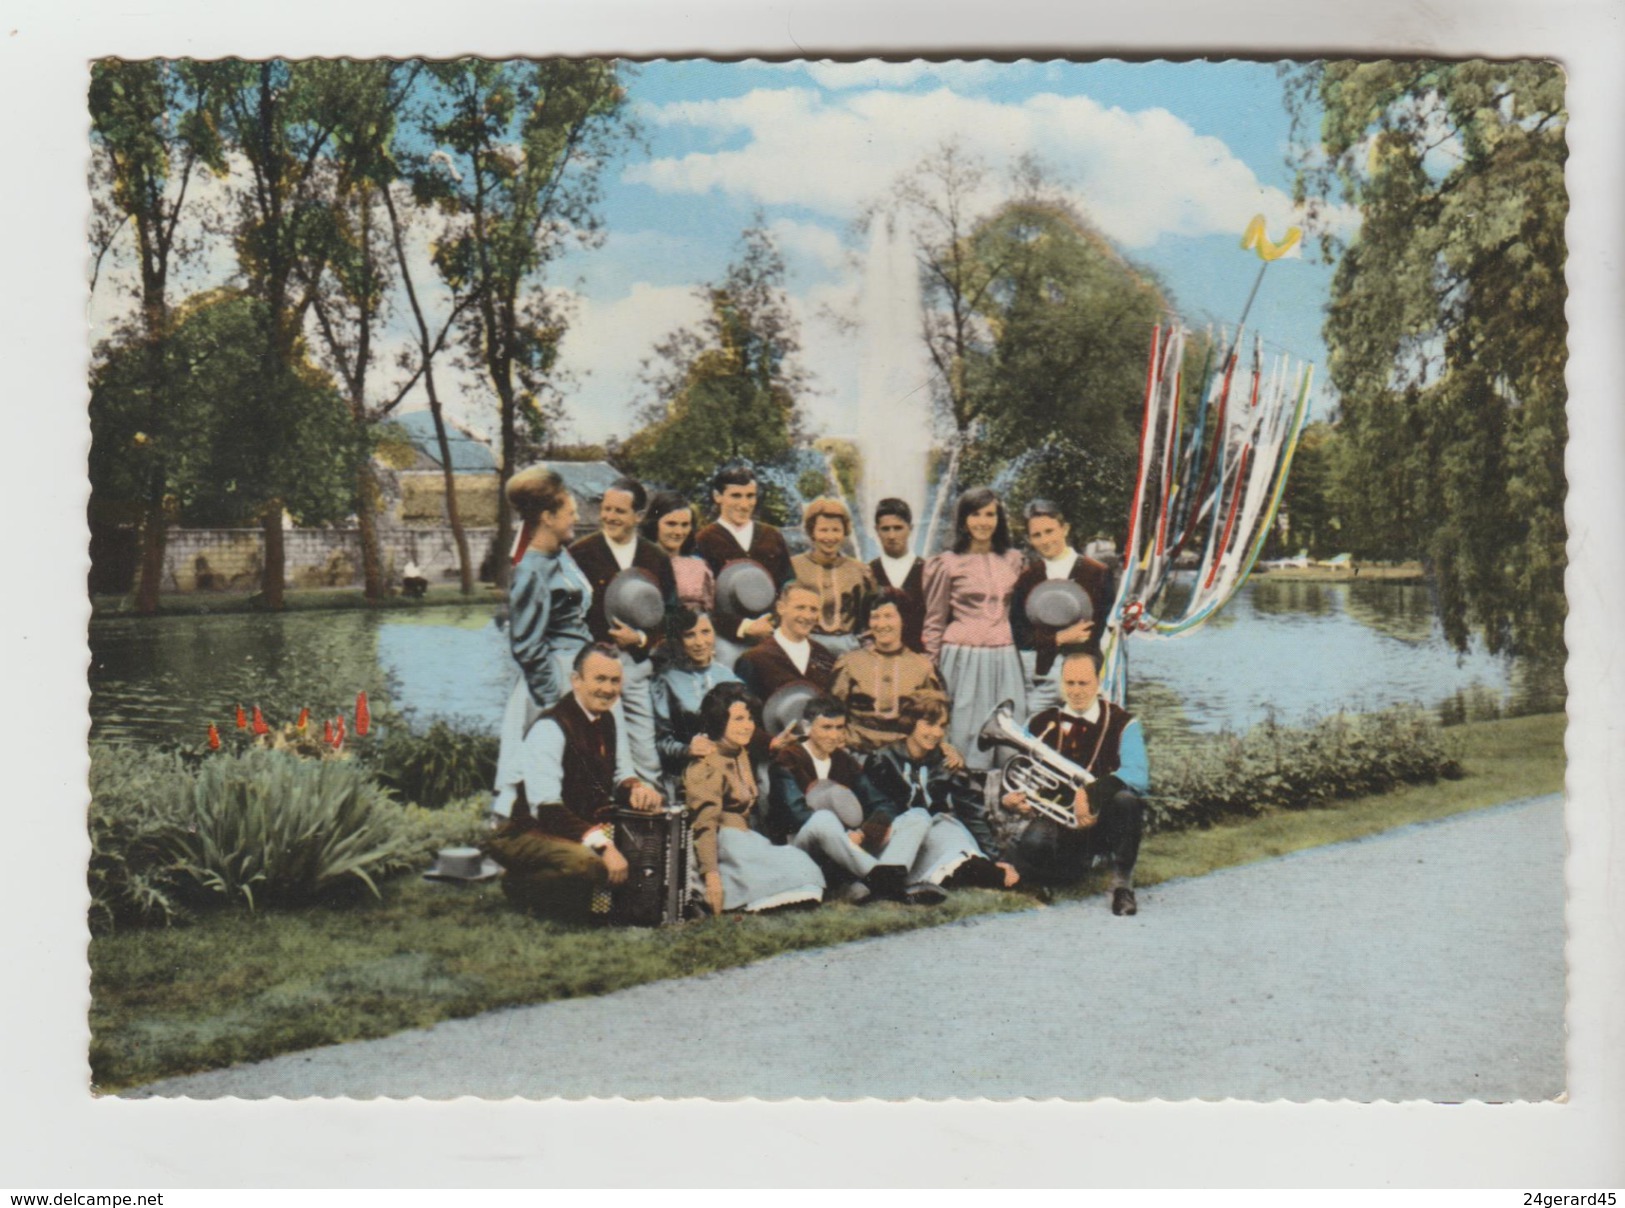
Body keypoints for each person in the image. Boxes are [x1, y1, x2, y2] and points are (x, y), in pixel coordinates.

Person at [484, 643, 665, 922]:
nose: (607, 689)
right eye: (599, 679)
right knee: (591, 865)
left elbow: (616, 776)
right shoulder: (551, 728)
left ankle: (547, 881)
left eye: (614, 680)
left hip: (567, 827)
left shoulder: (605, 721)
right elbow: (548, 810)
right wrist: (605, 846)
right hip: (522, 831)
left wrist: (636, 788)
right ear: (576, 681)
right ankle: (520, 885)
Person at [1000, 647, 1148, 916]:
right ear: (1061, 683)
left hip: (1103, 823)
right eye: (1070, 683)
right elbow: (1019, 771)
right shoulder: (1041, 722)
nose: (1076, 690)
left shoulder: (1123, 722)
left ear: (1098, 683)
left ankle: (1122, 886)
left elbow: (1138, 774)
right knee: (1035, 843)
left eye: (1084, 683)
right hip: (1057, 821)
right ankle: (1061, 872)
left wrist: (1092, 793)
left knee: (1127, 800)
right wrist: (1013, 799)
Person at [492, 467, 594, 819]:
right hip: (555, 679)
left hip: (579, 670)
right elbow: (526, 645)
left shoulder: (561, 556)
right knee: (549, 761)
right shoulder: (531, 569)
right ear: (548, 517)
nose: (577, 517)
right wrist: (555, 702)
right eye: (570, 511)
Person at [857, 689, 1021, 897]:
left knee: (953, 838)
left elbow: (972, 813)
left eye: (942, 726)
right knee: (932, 832)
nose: (936, 733)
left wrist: (997, 858)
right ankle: (991, 877)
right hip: (899, 837)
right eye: (929, 724)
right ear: (911, 722)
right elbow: (876, 809)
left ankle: (991, 872)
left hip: (937, 831)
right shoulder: (883, 759)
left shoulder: (947, 761)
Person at [568, 476, 676, 786]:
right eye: (606, 509)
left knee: (644, 747)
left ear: (639, 516)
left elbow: (673, 617)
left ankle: (648, 815)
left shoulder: (655, 558)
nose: (610, 517)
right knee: (595, 743)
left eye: (619, 511)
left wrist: (641, 640)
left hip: (636, 665)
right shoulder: (580, 554)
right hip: (591, 665)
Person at [685, 682, 826, 915]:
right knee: (791, 872)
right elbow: (704, 827)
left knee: (800, 865)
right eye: (738, 719)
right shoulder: (706, 765)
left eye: (750, 719)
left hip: (745, 838)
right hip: (724, 845)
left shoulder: (740, 751)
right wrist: (711, 878)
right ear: (720, 721)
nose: (748, 726)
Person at [921, 487, 1028, 773]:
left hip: (1004, 657)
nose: (983, 521)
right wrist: (932, 671)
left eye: (990, 514)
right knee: (964, 729)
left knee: (1010, 727)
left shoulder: (1014, 560)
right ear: (963, 520)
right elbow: (934, 621)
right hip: (962, 658)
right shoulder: (946, 563)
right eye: (975, 514)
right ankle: (962, 799)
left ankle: (1006, 797)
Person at [1012, 499, 1115, 714]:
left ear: (1064, 529)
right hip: (1042, 676)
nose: (1045, 540)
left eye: (1050, 531)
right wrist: (1059, 638)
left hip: (1083, 673)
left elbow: (1095, 631)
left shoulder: (1096, 573)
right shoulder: (1028, 578)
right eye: (1036, 535)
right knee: (1035, 733)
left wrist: (1046, 639)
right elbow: (1020, 635)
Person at [694, 464, 793, 667]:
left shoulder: (771, 536)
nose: (744, 504)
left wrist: (772, 622)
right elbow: (702, 601)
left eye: (750, 496)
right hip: (727, 636)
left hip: (771, 630)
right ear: (718, 496)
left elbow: (788, 585)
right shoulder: (704, 540)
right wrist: (744, 627)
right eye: (736, 496)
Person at [829, 588, 945, 754]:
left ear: (903, 620)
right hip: (856, 754)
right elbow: (833, 712)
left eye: (888, 616)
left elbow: (935, 717)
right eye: (875, 617)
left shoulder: (922, 667)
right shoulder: (849, 663)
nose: (881, 624)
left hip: (905, 757)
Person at [651, 606, 741, 783]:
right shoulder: (666, 680)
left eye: (706, 632)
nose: (700, 642)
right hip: (685, 778)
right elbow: (658, 741)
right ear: (678, 639)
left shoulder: (728, 676)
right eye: (690, 635)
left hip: (729, 776)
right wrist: (687, 750)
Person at [790, 497, 875, 657]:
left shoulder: (858, 570)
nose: (830, 537)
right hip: (804, 646)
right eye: (823, 530)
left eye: (836, 530)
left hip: (848, 648)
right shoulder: (794, 566)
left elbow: (866, 619)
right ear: (812, 532)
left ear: (845, 533)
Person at [734, 580, 838, 700]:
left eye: (813, 610)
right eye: (800, 607)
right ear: (781, 608)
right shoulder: (754, 658)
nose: (807, 616)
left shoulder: (824, 656)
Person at [869, 497, 927, 653]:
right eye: (885, 529)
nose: (892, 535)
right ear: (877, 530)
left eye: (898, 528)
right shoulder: (867, 572)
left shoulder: (928, 571)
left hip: (918, 659)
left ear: (910, 528)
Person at [641, 490, 715, 613]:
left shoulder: (699, 566)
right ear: (655, 523)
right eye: (671, 524)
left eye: (685, 525)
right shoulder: (641, 562)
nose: (679, 532)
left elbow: (710, 613)